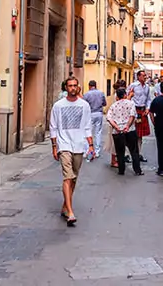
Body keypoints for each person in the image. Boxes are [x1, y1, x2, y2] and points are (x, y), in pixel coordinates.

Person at [49, 76, 94, 227]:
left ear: (78, 87)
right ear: (66, 88)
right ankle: (70, 212)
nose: (73, 88)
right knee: (67, 177)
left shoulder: (85, 105)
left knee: (74, 178)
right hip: (64, 145)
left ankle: (64, 206)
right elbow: (53, 127)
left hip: (79, 145)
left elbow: (88, 126)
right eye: (70, 86)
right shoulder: (58, 106)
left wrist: (91, 145)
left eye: (75, 85)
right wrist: (54, 146)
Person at [106, 87, 143, 176]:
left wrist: (116, 127)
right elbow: (132, 115)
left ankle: (121, 170)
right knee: (134, 151)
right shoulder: (131, 104)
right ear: (125, 95)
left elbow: (109, 118)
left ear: (117, 97)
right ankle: (137, 170)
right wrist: (127, 126)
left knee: (120, 152)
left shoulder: (113, 106)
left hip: (117, 132)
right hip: (130, 130)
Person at [128, 71, 152, 162]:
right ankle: (131, 154)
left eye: (145, 75)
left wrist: (147, 108)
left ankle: (138, 153)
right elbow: (128, 97)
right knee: (132, 133)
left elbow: (148, 99)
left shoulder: (147, 87)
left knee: (140, 135)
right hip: (134, 110)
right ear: (138, 76)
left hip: (142, 111)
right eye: (143, 75)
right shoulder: (133, 86)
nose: (145, 77)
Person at [82, 80, 106, 158]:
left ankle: (86, 151)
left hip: (90, 114)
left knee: (88, 132)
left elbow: (84, 105)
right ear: (95, 85)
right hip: (99, 113)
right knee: (98, 133)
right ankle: (97, 151)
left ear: (89, 86)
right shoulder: (101, 93)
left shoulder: (86, 94)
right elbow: (104, 103)